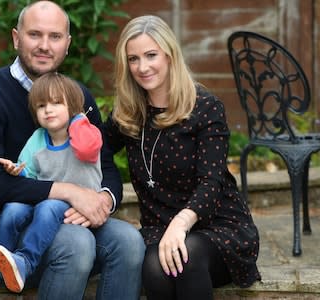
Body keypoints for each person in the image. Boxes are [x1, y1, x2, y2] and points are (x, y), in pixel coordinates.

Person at [0, 1, 145, 299]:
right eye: (34, 35)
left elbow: (104, 166)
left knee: (129, 241)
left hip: (62, 217)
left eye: (54, 37)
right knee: (75, 244)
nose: (44, 45)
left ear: (67, 44)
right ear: (16, 38)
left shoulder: (78, 97)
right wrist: (69, 191)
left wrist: (101, 200)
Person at [103, 15, 261, 300]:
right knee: (154, 269)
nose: (142, 67)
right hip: (158, 228)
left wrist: (180, 224)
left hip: (217, 226)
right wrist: (104, 193)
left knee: (185, 258)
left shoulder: (205, 107)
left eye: (151, 55)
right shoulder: (126, 113)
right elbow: (97, 150)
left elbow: (211, 183)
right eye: (133, 59)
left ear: (170, 55)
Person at [0, 72, 104, 294]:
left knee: (49, 206)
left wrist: (78, 118)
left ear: (74, 106)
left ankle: (25, 261)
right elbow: (28, 174)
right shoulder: (38, 138)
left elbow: (86, 149)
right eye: (41, 106)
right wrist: (16, 172)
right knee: (13, 209)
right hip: (46, 199)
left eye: (57, 103)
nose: (48, 109)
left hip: (79, 204)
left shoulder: (86, 133)